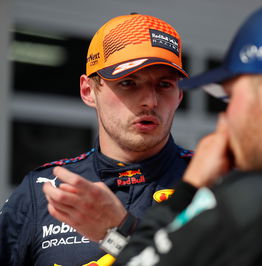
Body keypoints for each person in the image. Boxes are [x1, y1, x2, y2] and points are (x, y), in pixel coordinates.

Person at [43, 0, 262, 265]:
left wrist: (186, 193)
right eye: (129, 84)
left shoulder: (248, 205)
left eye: (231, 96)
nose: (227, 115)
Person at [0, 13, 193, 266]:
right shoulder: (41, 193)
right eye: (128, 82)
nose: (150, 101)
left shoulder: (212, 185)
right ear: (88, 91)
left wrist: (117, 233)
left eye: (165, 84)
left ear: (179, 96)